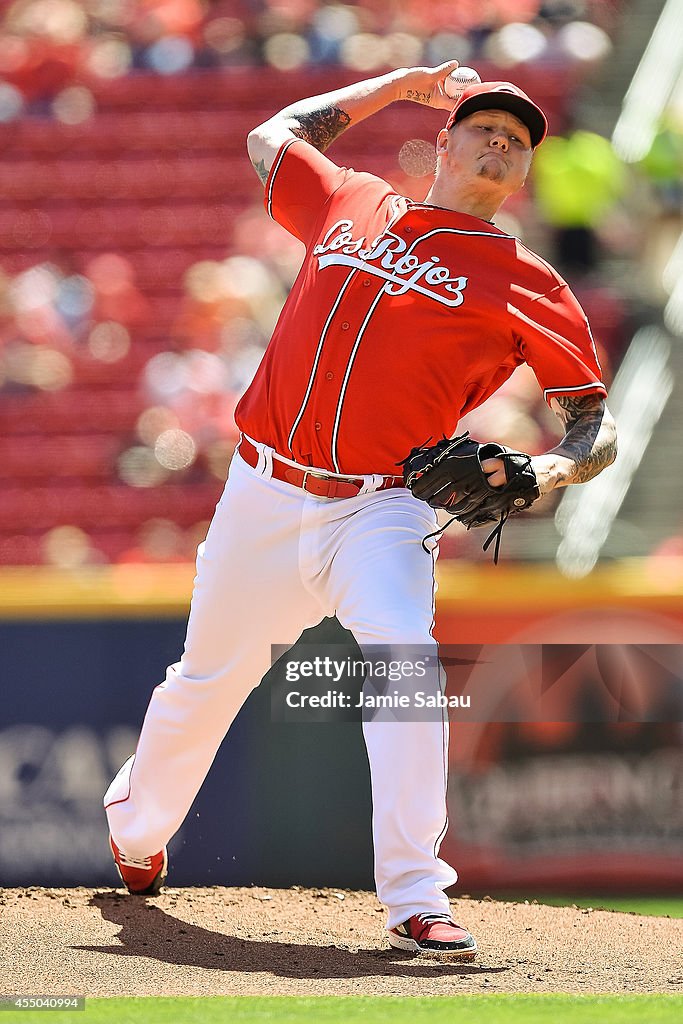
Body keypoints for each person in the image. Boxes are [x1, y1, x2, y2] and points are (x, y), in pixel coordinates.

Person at [104, 62, 617, 957]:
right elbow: (272, 139)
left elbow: (592, 426)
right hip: (263, 491)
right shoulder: (353, 200)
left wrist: (544, 470)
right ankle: (137, 830)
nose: (498, 143)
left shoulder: (525, 280)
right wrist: (397, 84)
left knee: (406, 670)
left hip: (382, 508)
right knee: (205, 683)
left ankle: (416, 893)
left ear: (522, 173)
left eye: (516, 140)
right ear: (443, 145)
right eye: (483, 129)